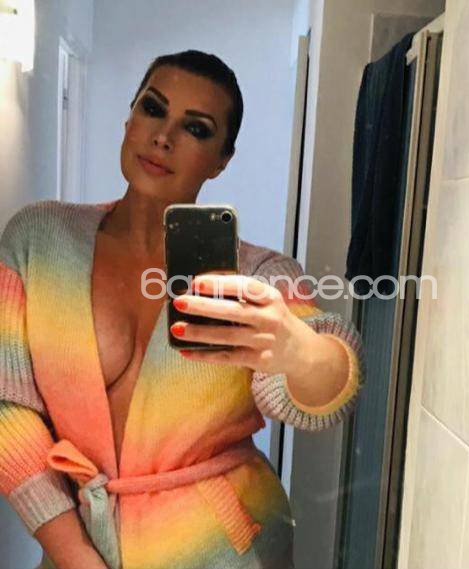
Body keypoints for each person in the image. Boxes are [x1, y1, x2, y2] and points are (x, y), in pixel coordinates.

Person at [0, 50, 364, 569]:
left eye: (196, 129)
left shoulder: (259, 275)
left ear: (221, 160)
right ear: (129, 119)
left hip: (226, 552)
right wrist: (74, 554)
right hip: (75, 549)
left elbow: (327, 383)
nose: (163, 137)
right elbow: (8, 407)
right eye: (153, 109)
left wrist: (299, 350)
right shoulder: (38, 239)